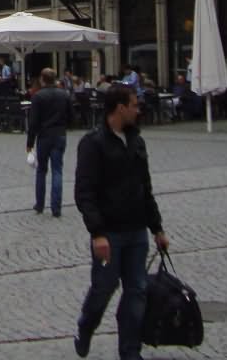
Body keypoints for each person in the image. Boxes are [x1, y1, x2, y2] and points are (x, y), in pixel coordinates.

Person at [72, 84, 170, 360]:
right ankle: (86, 325)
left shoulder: (137, 141)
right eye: (134, 105)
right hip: (110, 233)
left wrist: (157, 228)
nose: (138, 110)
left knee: (136, 291)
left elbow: (145, 187)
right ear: (119, 108)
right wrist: (98, 233)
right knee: (103, 289)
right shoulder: (92, 144)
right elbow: (84, 193)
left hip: (137, 230)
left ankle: (130, 352)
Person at [26, 67, 73, 217]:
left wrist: (30, 142)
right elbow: (72, 116)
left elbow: (33, 122)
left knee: (41, 170)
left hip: (44, 136)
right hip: (59, 135)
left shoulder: (38, 96)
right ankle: (56, 207)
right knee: (57, 170)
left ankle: (40, 204)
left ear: (42, 79)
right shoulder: (64, 95)